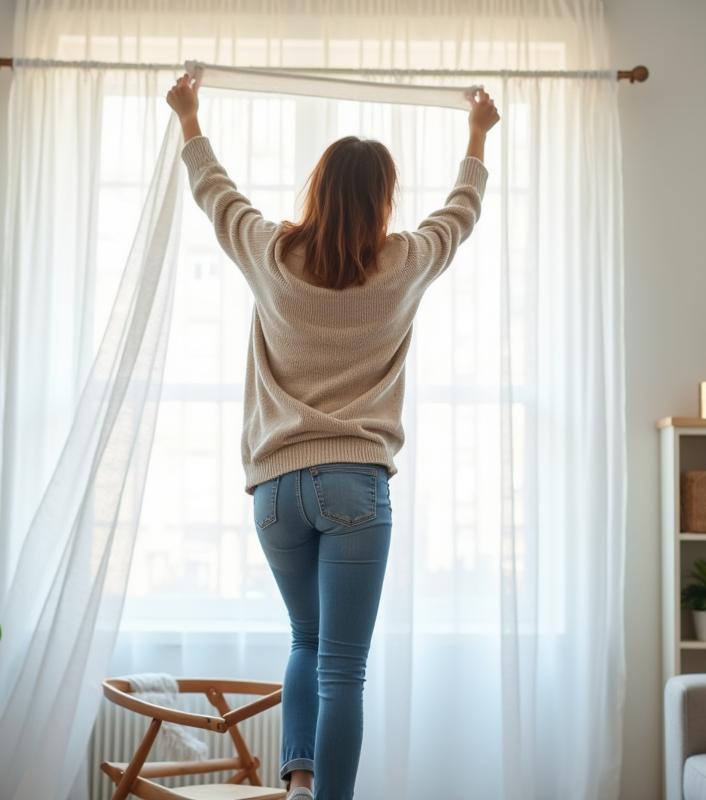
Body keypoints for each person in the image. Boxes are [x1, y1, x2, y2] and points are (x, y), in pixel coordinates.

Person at [166, 72, 499, 800]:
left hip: (274, 493)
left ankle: (298, 787)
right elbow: (462, 211)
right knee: (343, 667)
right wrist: (477, 134)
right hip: (354, 484)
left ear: (317, 189)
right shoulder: (405, 261)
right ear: (384, 199)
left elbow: (215, 192)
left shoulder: (270, 253)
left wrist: (190, 117)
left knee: (306, 641)